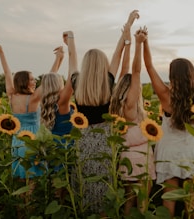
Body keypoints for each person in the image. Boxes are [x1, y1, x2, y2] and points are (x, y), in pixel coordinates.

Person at [69, 10, 140, 215]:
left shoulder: (76, 82)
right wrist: (128, 26)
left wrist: (71, 40)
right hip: (104, 139)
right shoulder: (107, 82)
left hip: (82, 139)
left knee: (84, 184)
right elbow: (118, 54)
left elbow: (72, 61)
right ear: (102, 65)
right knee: (104, 186)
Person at [142, 21, 194, 218]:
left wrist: (144, 42)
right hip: (193, 151)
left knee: (169, 203)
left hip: (169, 153)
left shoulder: (166, 97)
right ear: (191, 75)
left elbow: (148, 66)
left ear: (172, 75)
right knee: (192, 203)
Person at [0, 41, 64, 180]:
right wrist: (58, 58)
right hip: (33, 140)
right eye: (31, 79)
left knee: (22, 175)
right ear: (24, 82)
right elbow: (50, 78)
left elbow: (7, 73)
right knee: (33, 176)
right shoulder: (34, 98)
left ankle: (22, 201)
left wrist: (1, 53)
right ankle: (30, 201)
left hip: (17, 140)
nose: (35, 81)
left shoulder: (11, 96)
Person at [109, 26, 156, 215]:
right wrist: (139, 44)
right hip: (141, 156)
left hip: (125, 156)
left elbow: (126, 70)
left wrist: (128, 41)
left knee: (129, 201)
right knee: (143, 203)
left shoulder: (118, 104)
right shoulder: (131, 104)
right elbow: (135, 71)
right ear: (132, 88)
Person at [40, 31, 78, 172]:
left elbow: (48, 80)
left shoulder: (45, 102)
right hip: (66, 149)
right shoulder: (62, 102)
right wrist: (71, 42)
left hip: (53, 148)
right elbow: (73, 73)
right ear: (58, 84)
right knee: (65, 184)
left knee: (57, 183)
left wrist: (59, 58)